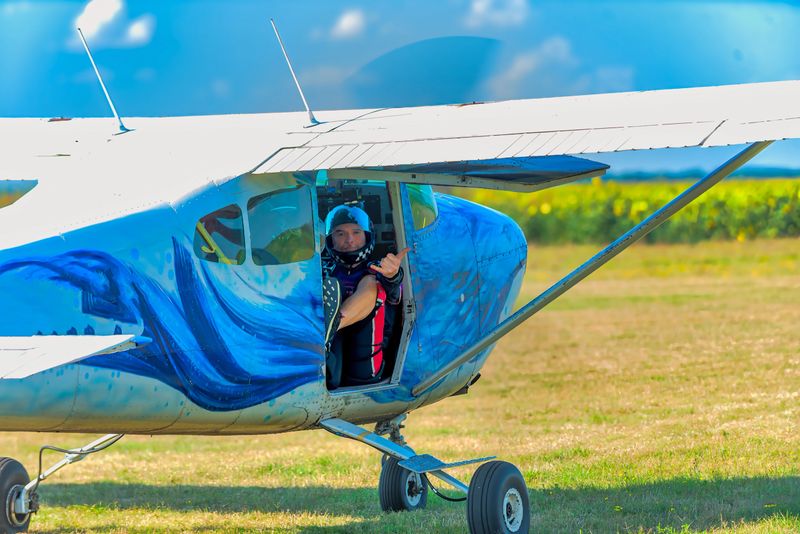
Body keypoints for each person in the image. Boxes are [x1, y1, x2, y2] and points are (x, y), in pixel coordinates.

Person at [322, 205, 409, 389]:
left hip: (365, 367)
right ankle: (324, 334)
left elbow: (395, 293)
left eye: (356, 232)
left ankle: (325, 329)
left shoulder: (380, 268)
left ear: (367, 236)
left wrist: (393, 275)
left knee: (372, 283)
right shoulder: (322, 271)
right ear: (330, 239)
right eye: (340, 233)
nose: (349, 240)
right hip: (327, 363)